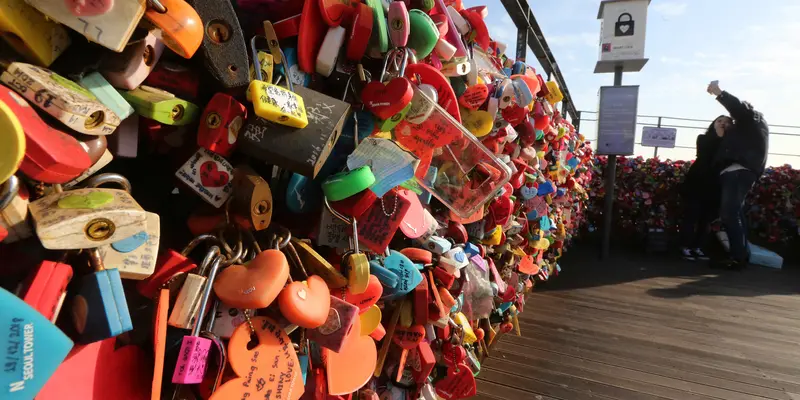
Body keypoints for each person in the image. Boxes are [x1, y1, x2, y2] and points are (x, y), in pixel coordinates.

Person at [706, 81, 769, 269]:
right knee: (736, 214)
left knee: (729, 214)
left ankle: (738, 257)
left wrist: (719, 93)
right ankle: (739, 255)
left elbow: (738, 108)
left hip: (738, 172)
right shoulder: (746, 130)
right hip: (738, 171)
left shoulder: (750, 118)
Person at [679, 115, 730, 261]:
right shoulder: (703, 138)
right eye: (719, 121)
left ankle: (698, 247)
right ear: (713, 123)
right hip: (697, 181)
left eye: (726, 123)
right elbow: (706, 154)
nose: (722, 124)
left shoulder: (730, 142)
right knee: (692, 215)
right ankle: (685, 246)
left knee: (706, 218)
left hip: (714, 183)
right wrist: (720, 138)